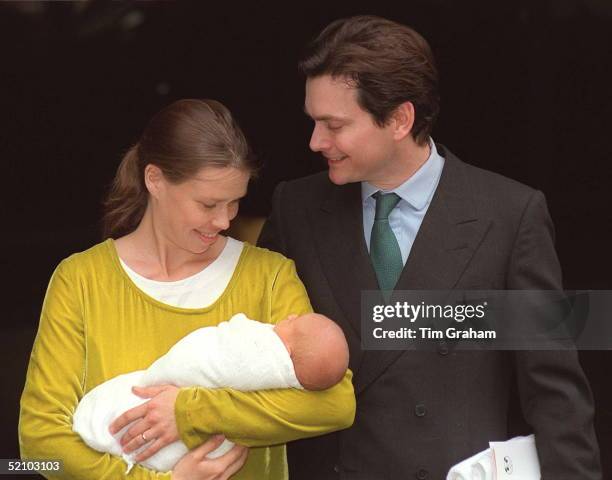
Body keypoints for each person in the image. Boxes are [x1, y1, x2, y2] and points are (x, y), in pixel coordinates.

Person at [257, 15, 601, 479]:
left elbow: (555, 393)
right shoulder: (295, 207)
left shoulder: (510, 215)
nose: (316, 141)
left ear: (400, 119)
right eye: (313, 121)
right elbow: (255, 356)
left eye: (334, 124)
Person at [19, 98, 356, 480]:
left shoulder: (269, 276)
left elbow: (334, 405)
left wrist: (188, 413)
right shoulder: (81, 280)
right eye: (208, 203)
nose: (224, 220)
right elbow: (39, 442)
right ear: (155, 180)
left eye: (235, 203)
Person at [73, 312, 349, 473]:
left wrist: (187, 409)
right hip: (191, 451)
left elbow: (212, 359)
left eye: (294, 321)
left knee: (130, 413)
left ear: (286, 352)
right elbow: (45, 447)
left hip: (172, 411)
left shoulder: (267, 354)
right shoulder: (81, 276)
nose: (289, 315)